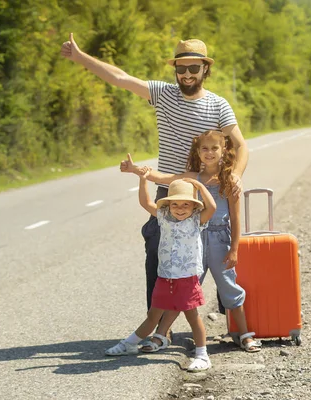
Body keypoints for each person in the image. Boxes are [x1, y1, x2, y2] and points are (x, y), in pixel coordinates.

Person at [60, 34, 250, 314]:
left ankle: (232, 319)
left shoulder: (218, 105)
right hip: (171, 189)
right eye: (181, 68)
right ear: (175, 69)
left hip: (212, 190)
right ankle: (158, 320)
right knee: (159, 251)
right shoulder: (162, 94)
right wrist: (80, 57)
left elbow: (241, 145)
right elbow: (120, 78)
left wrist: (235, 175)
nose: (186, 74)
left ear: (205, 70)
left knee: (219, 248)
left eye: (193, 68)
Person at [122, 130, 261, 353]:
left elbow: (235, 218)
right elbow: (162, 178)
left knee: (228, 287)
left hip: (219, 239)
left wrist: (234, 249)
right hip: (192, 242)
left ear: (224, 150)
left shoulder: (230, 181)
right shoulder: (191, 178)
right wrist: (135, 170)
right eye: (204, 148)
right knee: (181, 288)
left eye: (214, 148)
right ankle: (160, 335)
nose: (209, 153)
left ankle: (244, 335)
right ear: (198, 152)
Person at [104, 174, 217, 372]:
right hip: (165, 277)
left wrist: (199, 185)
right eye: (175, 204)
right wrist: (142, 179)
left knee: (193, 317)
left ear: (193, 206)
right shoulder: (163, 216)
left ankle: (202, 355)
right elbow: (145, 202)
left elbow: (213, 207)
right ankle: (130, 344)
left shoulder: (197, 220)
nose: (180, 209)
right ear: (168, 205)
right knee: (153, 316)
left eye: (185, 205)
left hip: (187, 278)